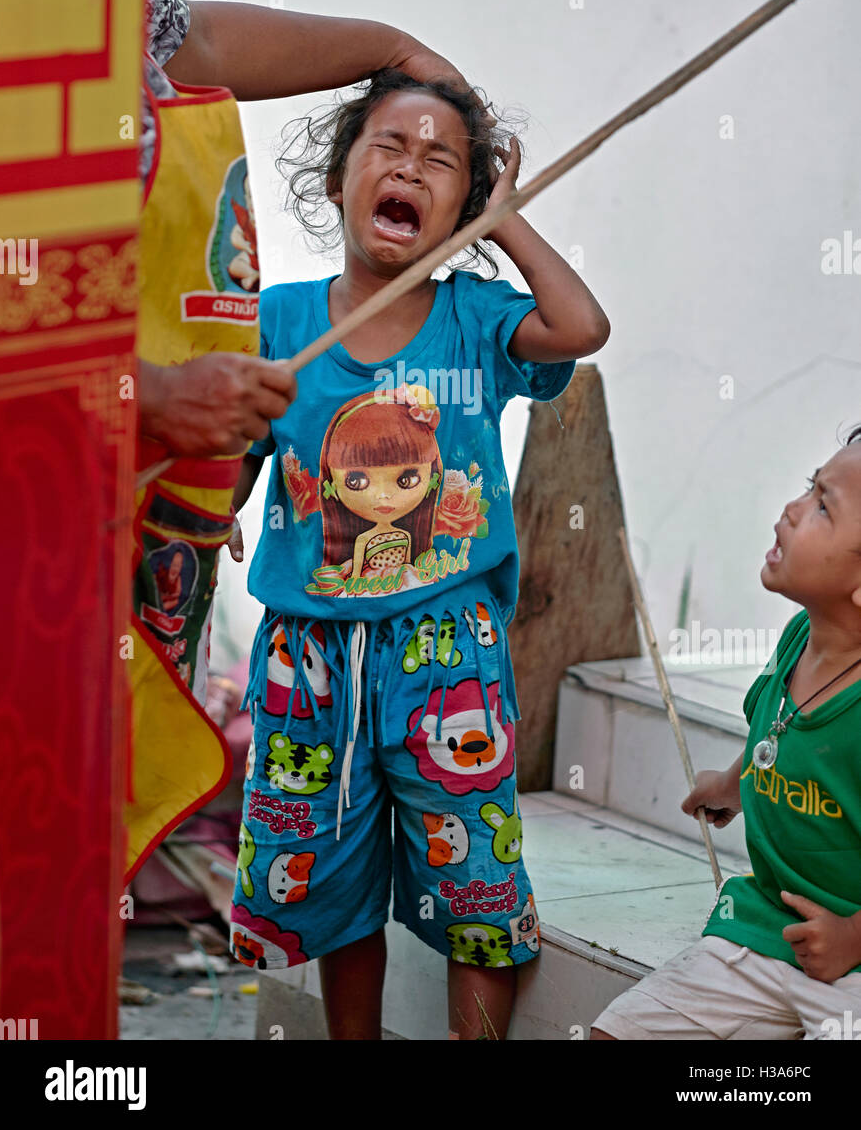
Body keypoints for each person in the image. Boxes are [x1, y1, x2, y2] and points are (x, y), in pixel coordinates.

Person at [127, 0, 487, 877]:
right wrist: (151, 403)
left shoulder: (114, 14)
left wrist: (391, 50)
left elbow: (204, 41)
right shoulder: (26, 36)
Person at [225, 69, 611, 1039]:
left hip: (448, 660)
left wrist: (507, 222)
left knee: (474, 888)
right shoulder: (280, 323)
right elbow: (238, 450)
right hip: (307, 661)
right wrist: (211, 507)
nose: (410, 165)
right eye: (388, 148)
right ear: (335, 180)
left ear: (461, 206)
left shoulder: (477, 322)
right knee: (331, 883)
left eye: (442, 161)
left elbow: (580, 327)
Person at [591, 427, 861, 1041]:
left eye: (824, 507)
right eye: (808, 489)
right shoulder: (799, 639)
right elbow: (778, 733)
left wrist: (852, 937)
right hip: (766, 928)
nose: (791, 512)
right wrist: (735, 782)